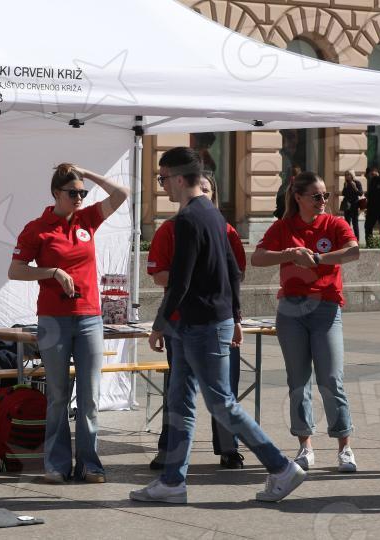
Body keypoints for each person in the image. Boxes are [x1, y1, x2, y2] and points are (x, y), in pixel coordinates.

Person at [130, 147, 305, 504]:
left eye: (163, 179)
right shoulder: (213, 214)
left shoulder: (189, 219)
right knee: (180, 402)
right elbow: (232, 271)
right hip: (202, 323)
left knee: (221, 404)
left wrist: (159, 323)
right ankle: (172, 481)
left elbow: (180, 281)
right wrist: (234, 316)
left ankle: (281, 466)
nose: (163, 186)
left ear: (180, 179)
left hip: (202, 324)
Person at [8, 163, 129, 484]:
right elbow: (15, 270)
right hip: (53, 320)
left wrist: (87, 173)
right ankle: (57, 464)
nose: (79, 198)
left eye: (82, 193)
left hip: (89, 318)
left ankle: (90, 464)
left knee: (90, 396)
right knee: (58, 395)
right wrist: (51, 272)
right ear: (55, 193)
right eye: (72, 193)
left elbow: (122, 194)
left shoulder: (87, 219)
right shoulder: (37, 228)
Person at [251, 171, 360, 473]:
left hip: (326, 307)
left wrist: (317, 259)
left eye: (326, 195)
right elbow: (257, 258)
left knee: (331, 378)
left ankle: (344, 446)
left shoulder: (335, 224)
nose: (323, 200)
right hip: (291, 310)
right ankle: (305, 446)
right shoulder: (283, 227)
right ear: (298, 197)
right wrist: (288, 254)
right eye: (316, 196)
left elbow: (353, 251)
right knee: (298, 380)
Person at [146, 174, 247, 470]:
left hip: (219, 321)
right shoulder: (170, 229)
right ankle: (170, 452)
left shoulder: (225, 230)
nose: (201, 193)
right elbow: (159, 275)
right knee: (178, 392)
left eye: (207, 189)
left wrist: (236, 318)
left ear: (213, 195)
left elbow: (235, 275)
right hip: (180, 323)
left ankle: (230, 448)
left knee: (224, 391)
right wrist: (193, 278)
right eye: (198, 188)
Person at [340, 170, 364, 239]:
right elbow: (343, 193)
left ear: (352, 175)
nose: (347, 176)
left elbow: (360, 193)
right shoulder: (346, 183)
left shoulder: (357, 183)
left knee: (355, 223)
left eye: (348, 174)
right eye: (346, 175)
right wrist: (345, 187)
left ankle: (357, 239)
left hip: (354, 205)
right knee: (347, 223)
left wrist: (355, 188)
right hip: (347, 206)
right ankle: (348, 238)